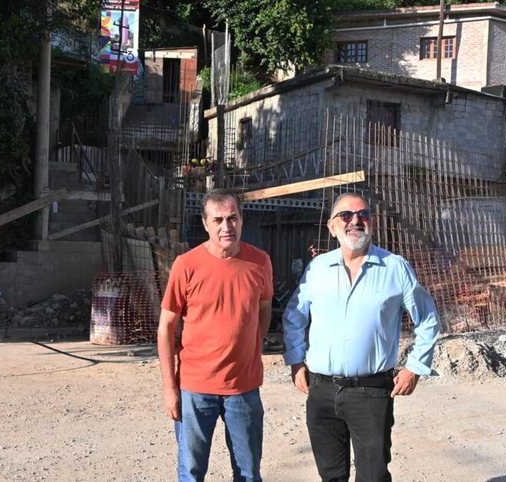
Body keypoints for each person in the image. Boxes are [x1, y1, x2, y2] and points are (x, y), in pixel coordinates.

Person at [283, 193, 440, 482]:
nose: (355, 221)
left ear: (373, 223)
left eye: (363, 215)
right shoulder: (317, 269)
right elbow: (294, 316)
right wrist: (295, 360)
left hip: (371, 393)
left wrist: (415, 367)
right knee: (330, 476)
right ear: (332, 227)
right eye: (346, 215)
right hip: (322, 392)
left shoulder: (395, 267)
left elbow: (428, 320)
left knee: (374, 476)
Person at [158, 188, 274, 482]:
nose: (226, 227)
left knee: (248, 473)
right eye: (219, 219)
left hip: (244, 388)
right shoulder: (187, 264)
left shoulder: (260, 262)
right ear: (206, 223)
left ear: (241, 219)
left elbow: (264, 309)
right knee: (191, 472)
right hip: (195, 387)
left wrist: (253, 349)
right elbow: (166, 327)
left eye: (232, 218)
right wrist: (170, 388)